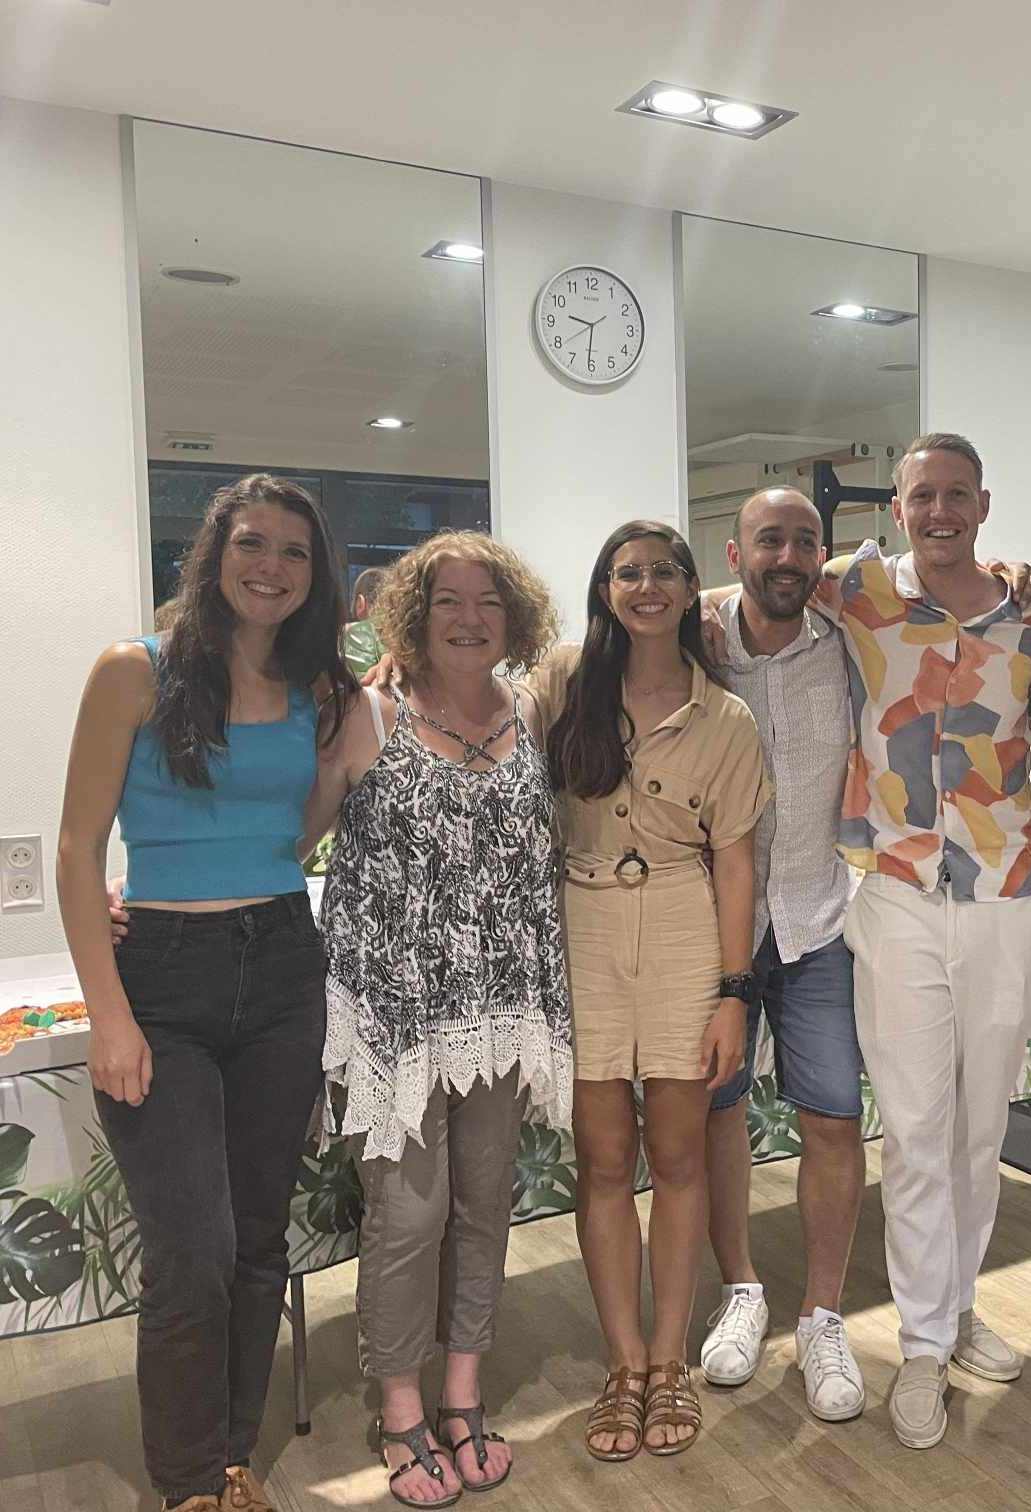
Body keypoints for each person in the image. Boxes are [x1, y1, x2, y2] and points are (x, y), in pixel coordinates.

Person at [56, 474, 355, 1512]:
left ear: (316, 575)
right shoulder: (133, 670)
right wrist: (108, 1012)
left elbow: (290, 836)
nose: (271, 568)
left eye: (294, 552)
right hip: (163, 978)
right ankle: (185, 1484)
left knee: (260, 1234)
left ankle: (231, 1458)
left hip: (281, 963)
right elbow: (76, 847)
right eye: (252, 544)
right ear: (215, 554)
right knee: (193, 1248)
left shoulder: (317, 688)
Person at [310, 533, 571, 1505]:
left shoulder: (530, 710)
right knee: (409, 1217)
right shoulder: (370, 712)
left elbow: (676, 612)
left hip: (501, 1010)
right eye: (447, 601)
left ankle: (463, 1393)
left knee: (484, 1206)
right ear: (412, 617)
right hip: (398, 1019)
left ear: (515, 617)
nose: (469, 618)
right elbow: (288, 835)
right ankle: (400, 1410)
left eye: (488, 601)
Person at [814, 433, 1031, 1449]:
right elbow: (741, 605)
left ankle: (957, 1314)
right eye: (923, 496)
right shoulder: (856, 590)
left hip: (1009, 891)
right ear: (899, 506)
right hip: (900, 890)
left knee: (978, 1130)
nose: (940, 511)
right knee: (915, 1131)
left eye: (958, 494)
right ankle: (921, 1345)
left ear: (985, 505)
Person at [535, 520, 768, 1462]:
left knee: (677, 1155)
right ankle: (622, 1365)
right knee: (602, 1160)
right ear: (606, 589)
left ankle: (670, 1360)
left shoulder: (725, 717)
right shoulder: (563, 683)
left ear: (690, 588)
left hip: (682, 921)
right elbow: (477, 712)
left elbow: (736, 866)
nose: (646, 587)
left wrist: (732, 994)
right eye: (628, 573)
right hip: (582, 920)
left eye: (664, 571)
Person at [697, 487, 868, 1423]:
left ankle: (824, 1316)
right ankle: (742, 1292)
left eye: (806, 541)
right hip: (711, 929)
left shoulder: (848, 638)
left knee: (834, 1119)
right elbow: (579, 662)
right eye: (771, 540)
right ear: (736, 554)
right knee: (718, 1114)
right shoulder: (690, 638)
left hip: (816, 919)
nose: (789, 557)